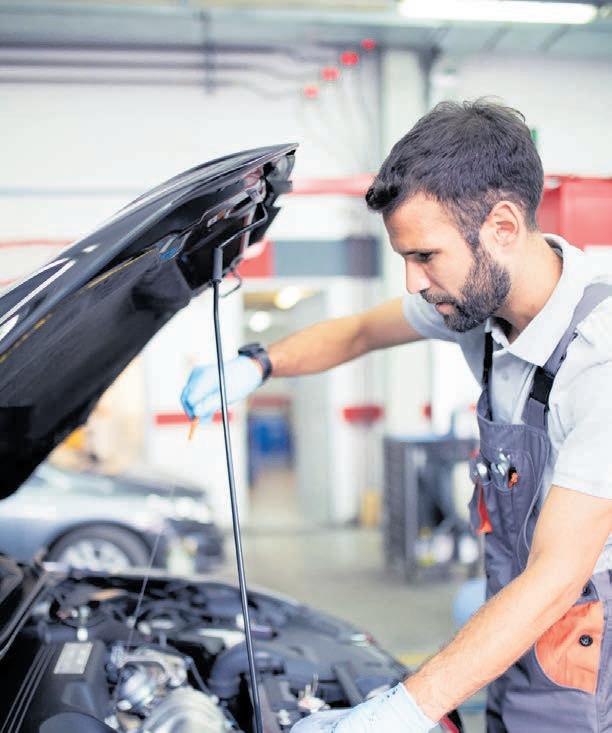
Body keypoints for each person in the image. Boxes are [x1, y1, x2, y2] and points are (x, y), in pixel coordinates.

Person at [181, 99, 612, 732]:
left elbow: (557, 576)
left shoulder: (600, 361)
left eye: (425, 256)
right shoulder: (478, 305)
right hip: (515, 613)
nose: (413, 283)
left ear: (502, 226)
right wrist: (259, 363)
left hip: (583, 638)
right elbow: (358, 332)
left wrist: (402, 710)